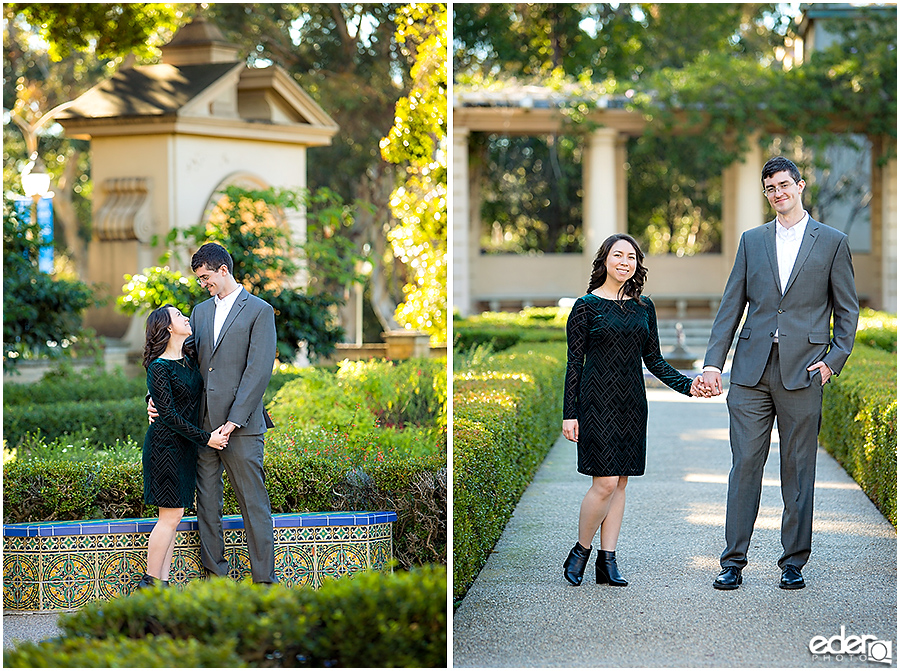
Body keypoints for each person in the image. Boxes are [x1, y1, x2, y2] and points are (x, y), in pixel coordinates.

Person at [702, 156, 859, 591]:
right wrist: (714, 362)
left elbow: (847, 311)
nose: (778, 193)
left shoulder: (832, 241)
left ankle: (793, 562)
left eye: (785, 185)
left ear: (800, 185)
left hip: (804, 372)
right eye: (771, 188)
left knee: (798, 468)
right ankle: (733, 561)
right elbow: (731, 304)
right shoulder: (752, 240)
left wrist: (833, 361)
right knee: (745, 465)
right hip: (751, 372)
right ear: (766, 193)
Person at [561, 233, 711, 587]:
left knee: (621, 482)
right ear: (604, 261)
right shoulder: (585, 306)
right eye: (618, 255)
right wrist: (571, 413)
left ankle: (607, 560)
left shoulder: (645, 307)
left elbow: (654, 359)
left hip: (632, 404)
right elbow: (574, 364)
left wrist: (688, 386)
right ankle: (580, 550)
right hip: (595, 402)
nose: (624, 262)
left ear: (636, 265)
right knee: (605, 482)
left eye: (631, 256)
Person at [149, 242, 278, 584]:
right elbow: (180, 359)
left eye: (205, 276)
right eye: (199, 279)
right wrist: (154, 395)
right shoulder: (200, 312)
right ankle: (216, 579)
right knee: (207, 506)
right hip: (202, 429)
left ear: (223, 270)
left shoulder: (260, 311)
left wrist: (233, 422)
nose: (202, 283)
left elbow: (258, 371)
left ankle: (264, 583)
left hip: (242, 428)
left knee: (254, 506)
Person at [138, 305, 230, 590]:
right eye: (178, 316)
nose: (186, 318)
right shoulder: (159, 366)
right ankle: (151, 584)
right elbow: (168, 415)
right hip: (165, 448)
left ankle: (162, 585)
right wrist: (207, 438)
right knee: (170, 516)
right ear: (167, 327)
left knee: (173, 517)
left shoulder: (190, 359)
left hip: (185, 449)